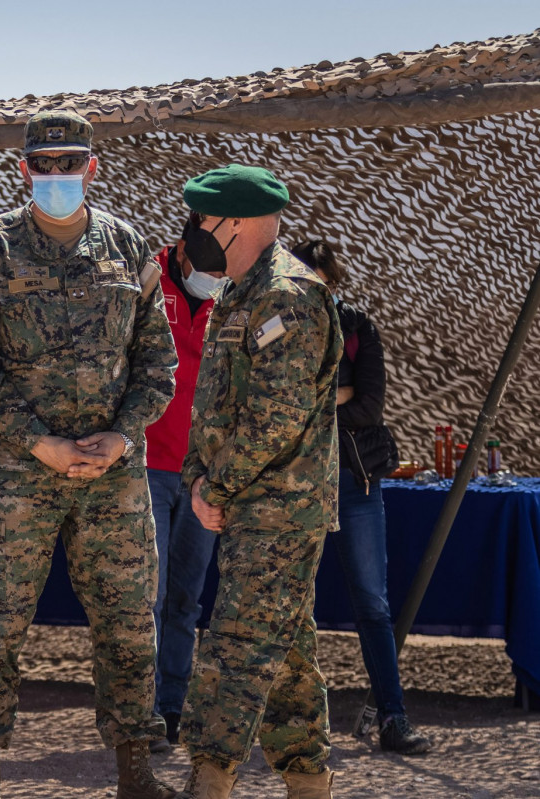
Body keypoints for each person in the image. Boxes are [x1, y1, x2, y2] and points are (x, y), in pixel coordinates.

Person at [0, 110, 179, 799]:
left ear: (91, 166)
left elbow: (157, 358)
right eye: (43, 164)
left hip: (113, 479)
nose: (56, 175)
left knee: (130, 622)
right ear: (24, 169)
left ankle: (136, 769)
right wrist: (36, 441)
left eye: (69, 161)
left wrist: (125, 431)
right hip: (20, 474)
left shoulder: (128, 244)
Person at [176, 164, 341, 799]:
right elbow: (217, 405)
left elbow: (277, 418)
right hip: (255, 505)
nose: (193, 231)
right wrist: (200, 476)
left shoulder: (288, 296)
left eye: (201, 218)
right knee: (290, 656)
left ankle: (209, 778)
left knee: (239, 644)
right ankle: (308, 783)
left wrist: (213, 489)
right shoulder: (240, 292)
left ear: (235, 222)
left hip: (279, 508)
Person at [290, 239, 431, 756]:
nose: (312, 292)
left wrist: (315, 404)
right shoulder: (275, 327)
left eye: (320, 281)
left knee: (373, 605)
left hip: (355, 485)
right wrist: (336, 395)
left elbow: (370, 406)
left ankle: (392, 718)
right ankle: (291, 725)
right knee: (286, 605)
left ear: (334, 281)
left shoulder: (358, 328)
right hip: (294, 485)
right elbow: (276, 406)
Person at [144, 231, 224, 753]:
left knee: (186, 599)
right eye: (206, 268)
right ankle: (141, 710)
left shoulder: (232, 292)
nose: (213, 279)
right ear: (180, 250)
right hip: (145, 465)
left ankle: (172, 708)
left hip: (202, 472)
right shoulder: (146, 276)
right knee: (146, 595)